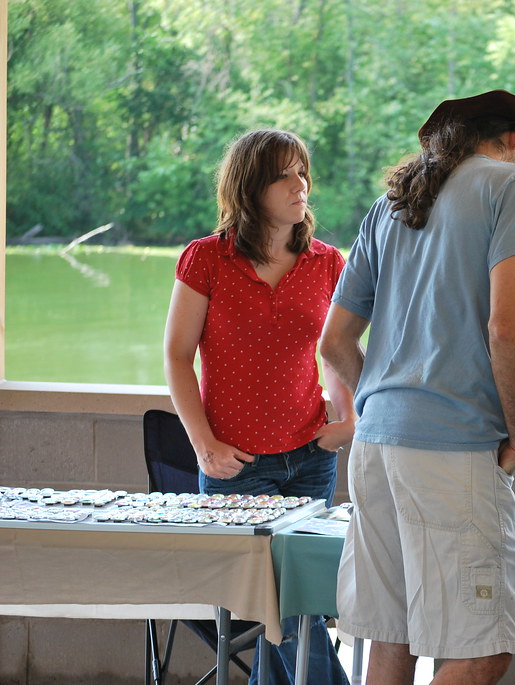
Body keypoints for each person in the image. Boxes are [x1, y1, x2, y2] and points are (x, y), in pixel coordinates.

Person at [319, 90, 515, 685]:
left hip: (374, 450)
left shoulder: (390, 206)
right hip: (452, 450)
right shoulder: (513, 185)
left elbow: (334, 343)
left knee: (390, 637)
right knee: (485, 647)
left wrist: (384, 398)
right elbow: (506, 329)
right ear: (512, 137)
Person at [163, 128, 353, 685]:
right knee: (286, 611)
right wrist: (203, 446)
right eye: (284, 175)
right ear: (251, 188)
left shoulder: (326, 263)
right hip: (234, 465)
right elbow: (177, 357)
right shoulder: (206, 259)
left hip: (311, 455)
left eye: (303, 172)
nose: (301, 186)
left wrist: (348, 423)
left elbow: (340, 354)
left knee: (294, 610)